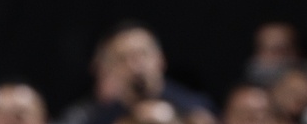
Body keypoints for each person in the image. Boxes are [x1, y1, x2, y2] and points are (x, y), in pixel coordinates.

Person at [85, 25, 215, 124]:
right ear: (109, 69)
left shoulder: (195, 109)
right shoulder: (99, 118)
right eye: (122, 59)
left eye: (142, 54)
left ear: (160, 59)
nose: (134, 66)